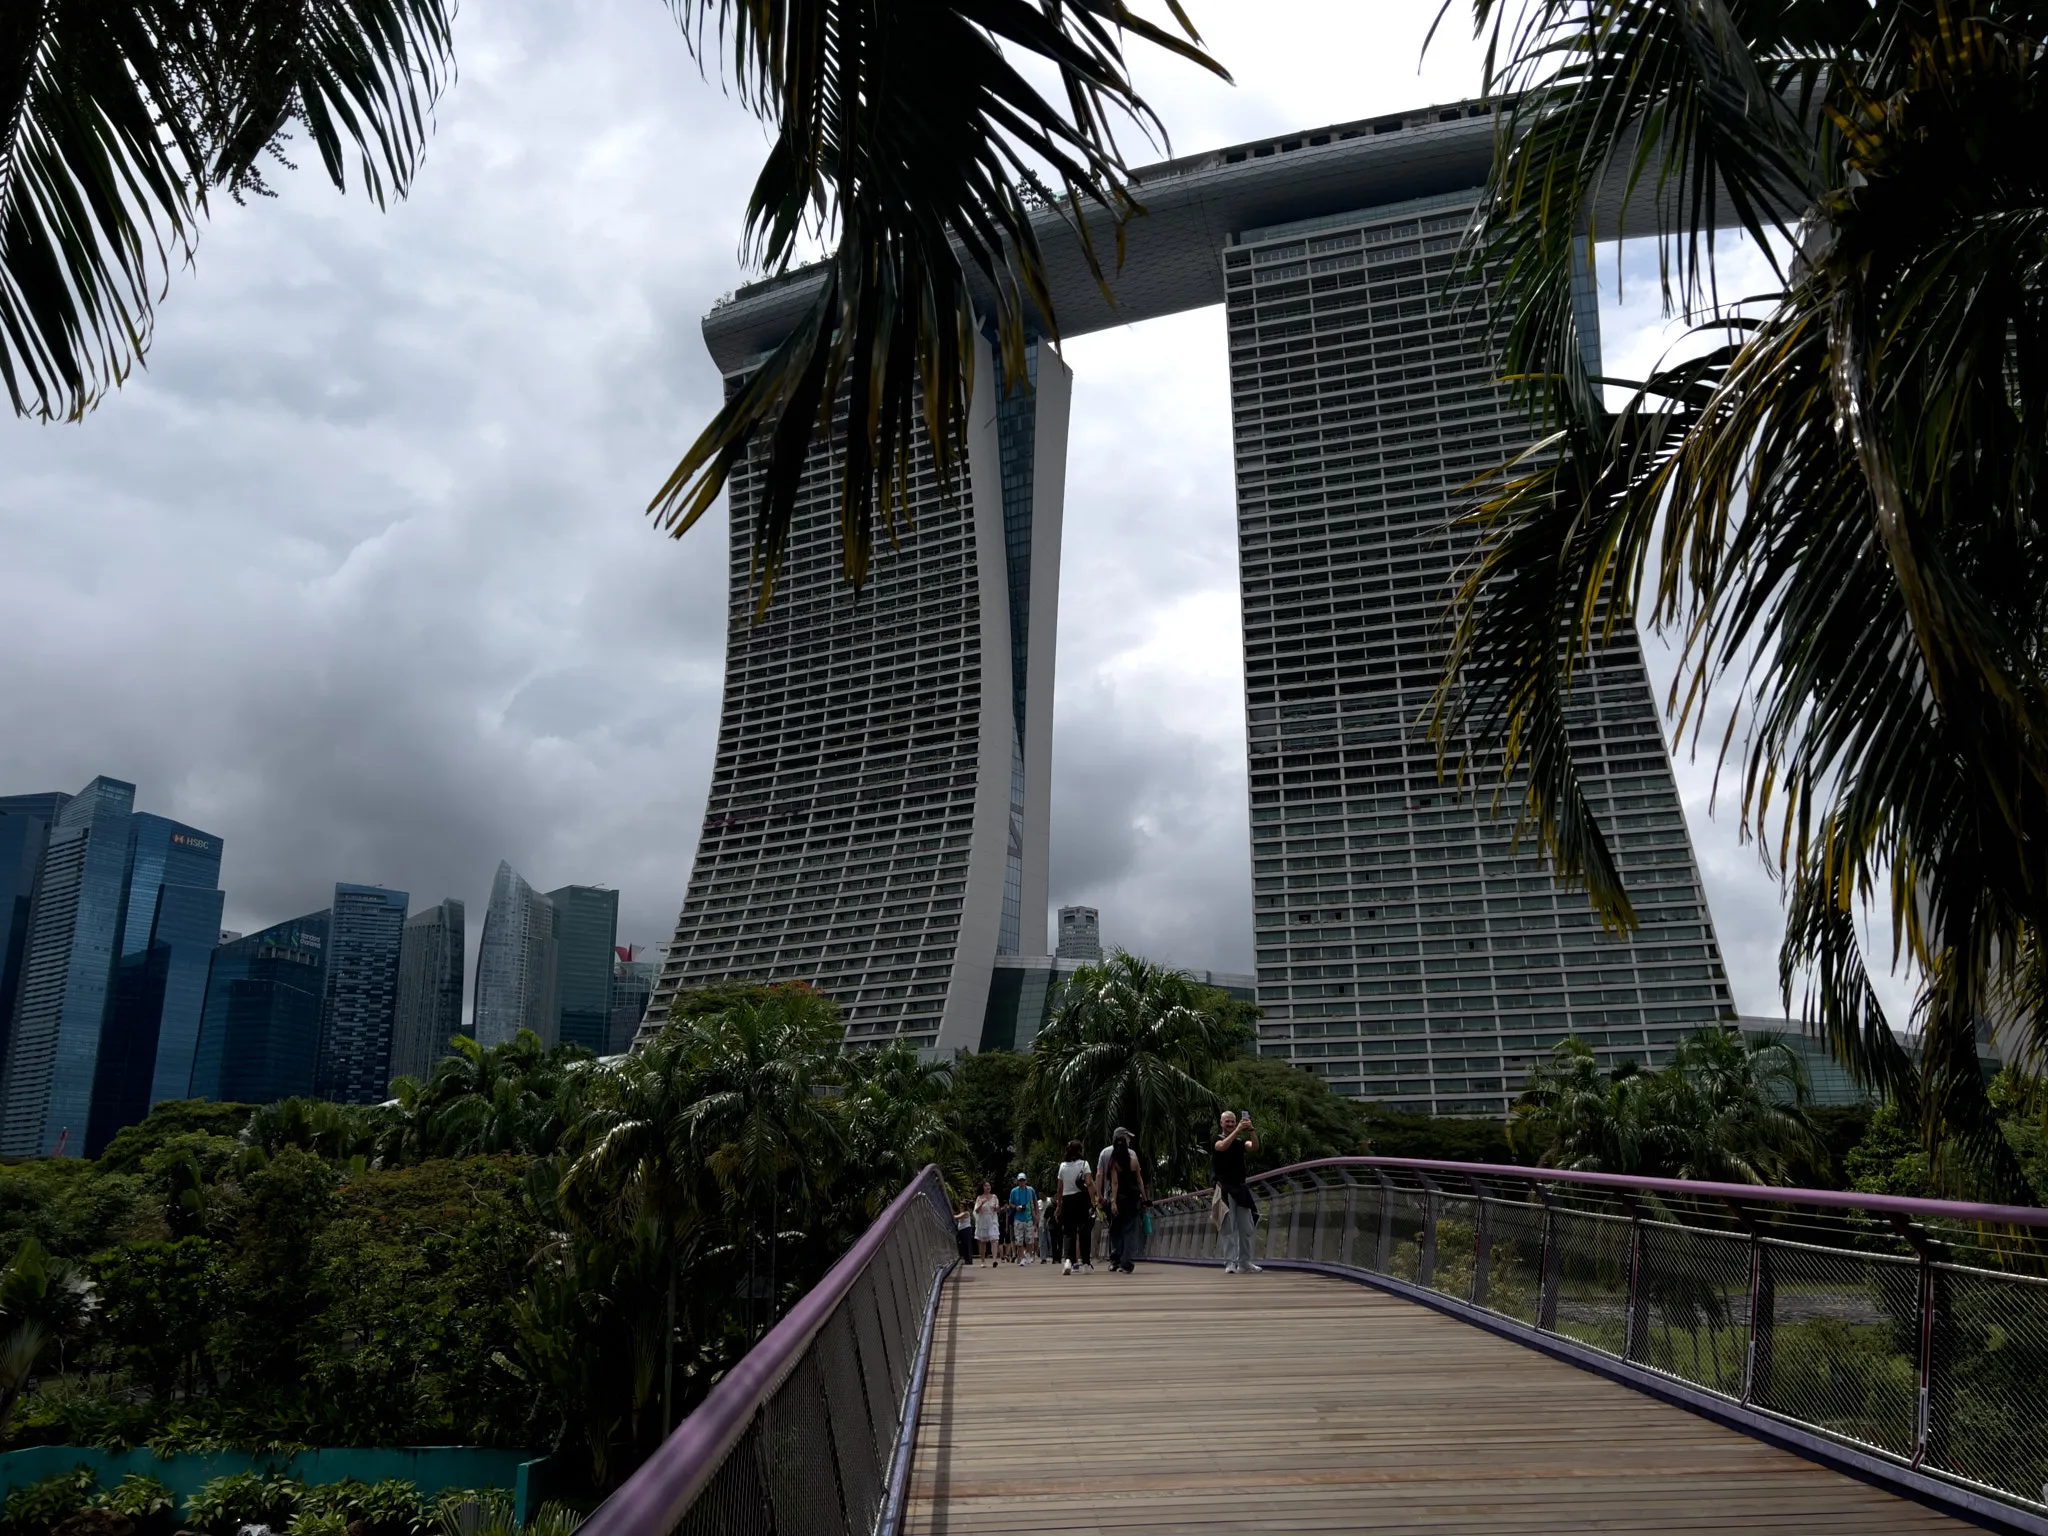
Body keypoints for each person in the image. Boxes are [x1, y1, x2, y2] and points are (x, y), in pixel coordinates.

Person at [1213, 1109, 1261, 1275]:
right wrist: (1238, 1130)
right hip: (1224, 1189)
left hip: (1240, 1188)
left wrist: (1251, 1130)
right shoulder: (1217, 1139)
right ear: (1221, 1123)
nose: (1231, 1124)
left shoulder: (1240, 1141)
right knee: (1228, 1227)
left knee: (1246, 1227)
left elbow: (1254, 1147)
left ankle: (1245, 1262)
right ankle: (1230, 1263)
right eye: (1227, 1121)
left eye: (1233, 1121)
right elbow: (1221, 1147)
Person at [1099, 1128, 1148, 1273]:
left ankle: (1116, 1259)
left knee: (1115, 1230)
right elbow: (1139, 1181)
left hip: (1118, 1200)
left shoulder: (1113, 1162)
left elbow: (1114, 1184)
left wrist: (1112, 1201)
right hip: (1132, 1200)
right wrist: (1145, 1198)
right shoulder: (1133, 1160)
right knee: (1129, 1231)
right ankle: (1126, 1262)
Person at [1056, 1140, 1094, 1274]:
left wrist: (1059, 1206)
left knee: (1068, 1232)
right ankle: (1086, 1264)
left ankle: (1068, 1261)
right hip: (1081, 1200)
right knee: (1084, 1231)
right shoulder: (1084, 1164)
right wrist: (1093, 1202)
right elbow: (1089, 1183)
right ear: (1080, 1151)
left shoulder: (1062, 1166)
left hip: (1067, 1200)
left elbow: (1060, 1189)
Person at [1008, 1172, 1037, 1265]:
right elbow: (1010, 1203)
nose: (1022, 1182)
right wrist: (1016, 1207)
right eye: (1020, 1180)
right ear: (1017, 1181)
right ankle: (1022, 1257)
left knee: (1029, 1239)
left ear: (1026, 1181)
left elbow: (1035, 1202)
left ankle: (1028, 1254)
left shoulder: (1030, 1190)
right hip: (1018, 1218)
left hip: (1028, 1217)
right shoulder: (1014, 1191)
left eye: (1023, 1180)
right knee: (1019, 1240)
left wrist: (1036, 1215)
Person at [972, 1179, 1002, 1267]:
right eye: (985, 1186)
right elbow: (976, 1211)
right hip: (983, 1220)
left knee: (994, 1240)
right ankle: (982, 1261)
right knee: (983, 1241)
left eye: (988, 1185)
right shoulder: (979, 1198)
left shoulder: (994, 1197)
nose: (987, 1187)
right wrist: (981, 1204)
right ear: (983, 1188)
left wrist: (997, 1208)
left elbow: (997, 1208)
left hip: (992, 1219)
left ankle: (994, 1260)